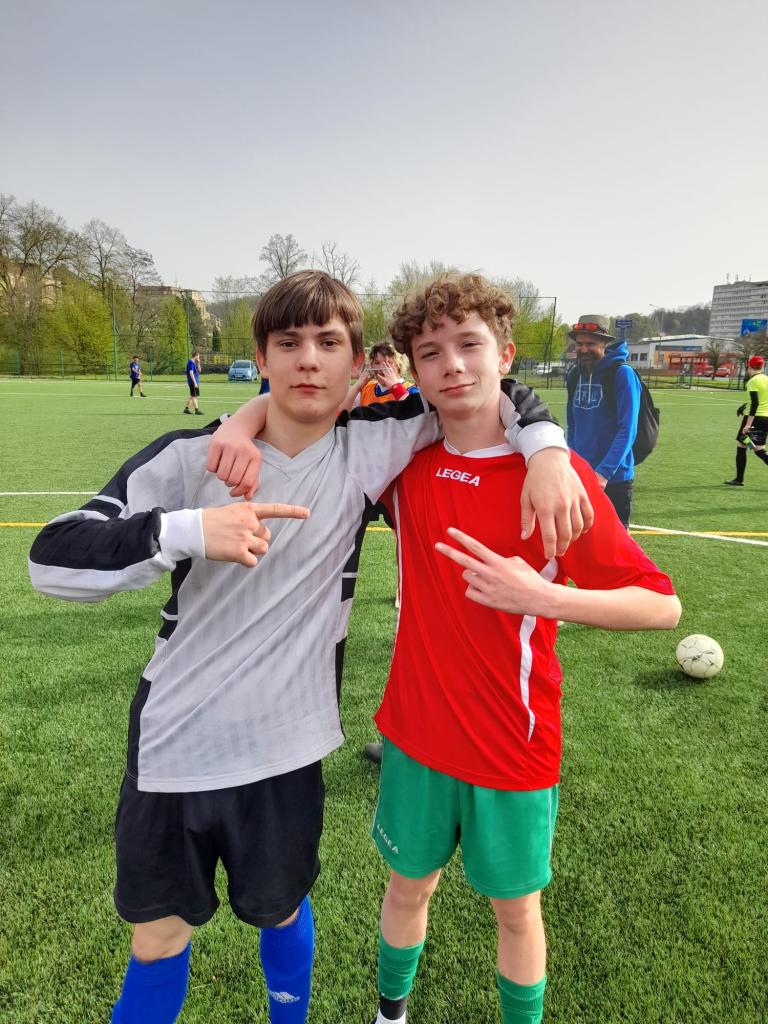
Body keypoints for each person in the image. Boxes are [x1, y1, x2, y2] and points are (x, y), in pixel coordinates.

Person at [29, 270, 590, 1024]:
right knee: (158, 938)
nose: (308, 360)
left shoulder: (374, 443)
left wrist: (547, 448)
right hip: (173, 744)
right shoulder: (193, 457)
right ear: (262, 356)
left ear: (358, 364)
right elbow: (51, 559)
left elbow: (485, 388)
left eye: (328, 343)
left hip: (286, 750)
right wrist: (190, 530)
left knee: (283, 912)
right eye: (288, 342)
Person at [365, 273, 680, 1024]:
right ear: (414, 369)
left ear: (504, 355)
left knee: (516, 912)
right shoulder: (402, 463)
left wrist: (545, 598)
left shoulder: (559, 480)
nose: (453, 365)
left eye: (469, 345)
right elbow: (311, 412)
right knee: (407, 888)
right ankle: (389, 1013)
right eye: (431, 352)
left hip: (513, 739)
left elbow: (662, 605)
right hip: (415, 731)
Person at [565, 315, 642, 527]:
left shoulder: (622, 374)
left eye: (590, 343)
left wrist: (603, 473)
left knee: (617, 539)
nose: (583, 349)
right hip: (581, 474)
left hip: (613, 478)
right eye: (579, 343)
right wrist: (571, 464)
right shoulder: (574, 375)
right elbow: (572, 425)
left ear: (604, 344)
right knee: (580, 534)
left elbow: (627, 430)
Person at [724, 354, 768, 486]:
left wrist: (748, 424)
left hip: (754, 419)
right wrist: (744, 406)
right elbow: (761, 399)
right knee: (756, 448)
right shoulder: (766, 379)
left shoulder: (753, 381)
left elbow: (755, 403)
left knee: (744, 445)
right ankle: (739, 479)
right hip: (765, 418)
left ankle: (739, 479)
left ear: (749, 366)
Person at [342, 342, 419, 412]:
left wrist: (395, 387)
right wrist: (357, 386)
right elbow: (341, 411)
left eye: (388, 362)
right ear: (371, 365)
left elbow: (415, 414)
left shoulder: (411, 389)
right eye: (377, 363)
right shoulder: (366, 388)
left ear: (398, 365)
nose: (381, 368)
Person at [183, 350, 202, 415]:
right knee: (194, 396)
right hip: (192, 382)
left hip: (195, 381)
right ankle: (197, 410)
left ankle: (186, 409)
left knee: (192, 395)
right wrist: (195, 382)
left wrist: (198, 363)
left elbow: (199, 370)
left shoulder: (194, 363)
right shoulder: (190, 362)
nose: (199, 358)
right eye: (198, 356)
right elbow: (191, 373)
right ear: (195, 356)